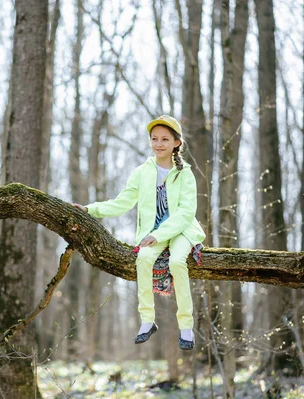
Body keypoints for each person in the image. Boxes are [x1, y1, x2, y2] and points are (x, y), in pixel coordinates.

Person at [73, 115, 206, 350]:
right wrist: (89, 209)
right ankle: (147, 321)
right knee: (143, 258)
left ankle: (186, 326)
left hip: (181, 231)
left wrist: (160, 234)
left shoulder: (185, 173)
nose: (159, 144)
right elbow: (122, 202)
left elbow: (186, 212)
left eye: (165, 139)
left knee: (177, 262)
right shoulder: (142, 172)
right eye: (154, 139)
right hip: (152, 232)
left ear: (177, 143)